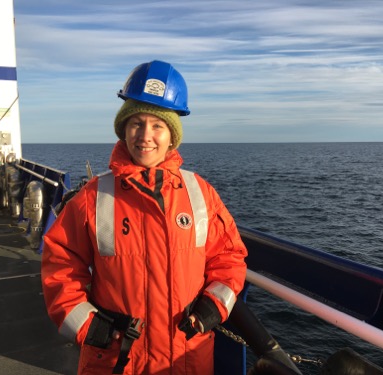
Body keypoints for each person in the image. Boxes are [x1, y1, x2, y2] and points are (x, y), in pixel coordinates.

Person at [41, 60, 248, 375]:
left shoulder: (200, 193)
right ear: (123, 128)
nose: (145, 136)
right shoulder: (93, 197)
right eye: (136, 123)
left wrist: (213, 306)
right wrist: (88, 326)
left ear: (171, 135)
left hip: (187, 357)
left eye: (158, 126)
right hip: (117, 360)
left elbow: (229, 256)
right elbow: (60, 264)